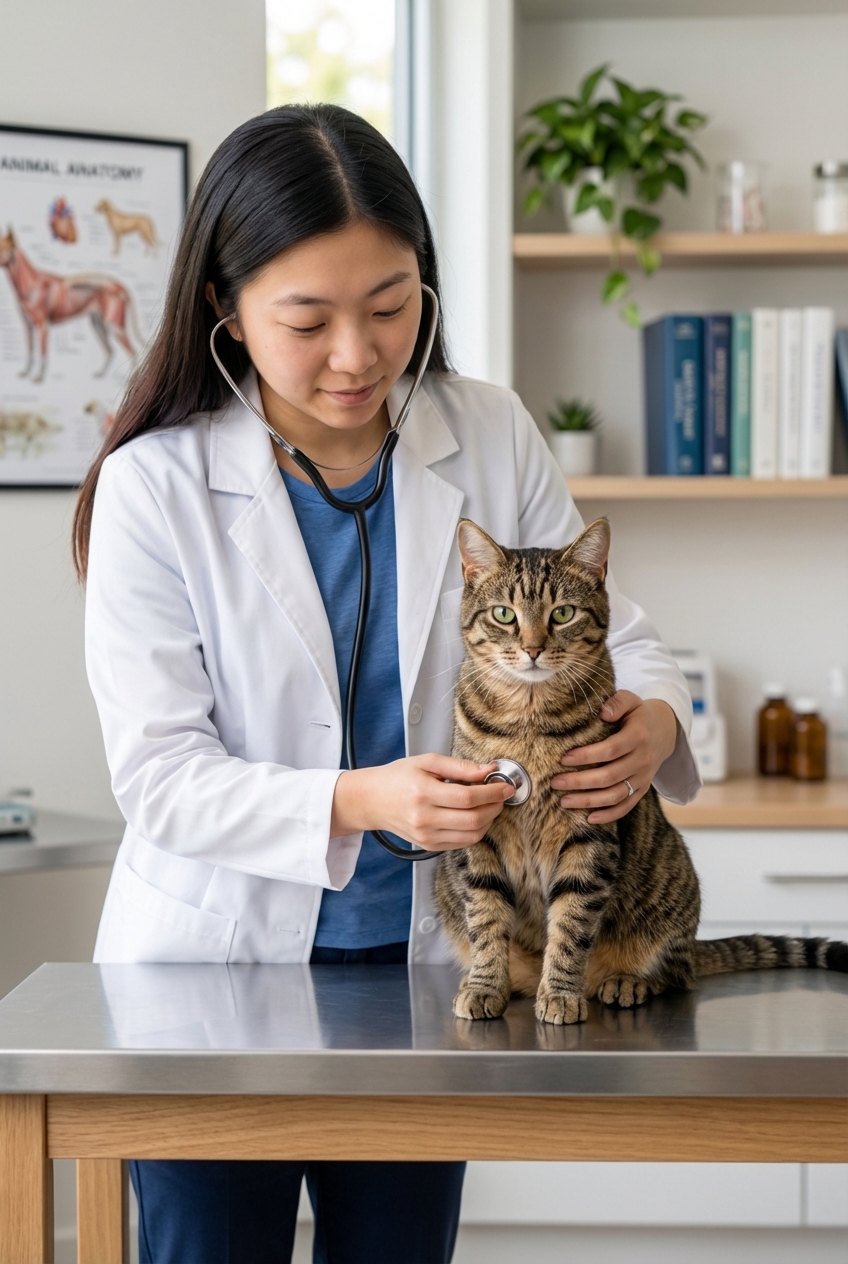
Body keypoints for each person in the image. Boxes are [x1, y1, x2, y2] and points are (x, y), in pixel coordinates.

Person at [74, 104, 701, 1264]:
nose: (357, 355)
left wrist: (652, 720)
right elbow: (160, 779)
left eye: (391, 305)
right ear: (224, 306)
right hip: (215, 978)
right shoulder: (152, 487)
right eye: (306, 320)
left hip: (424, 975)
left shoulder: (486, 428)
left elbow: (627, 629)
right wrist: (363, 800)